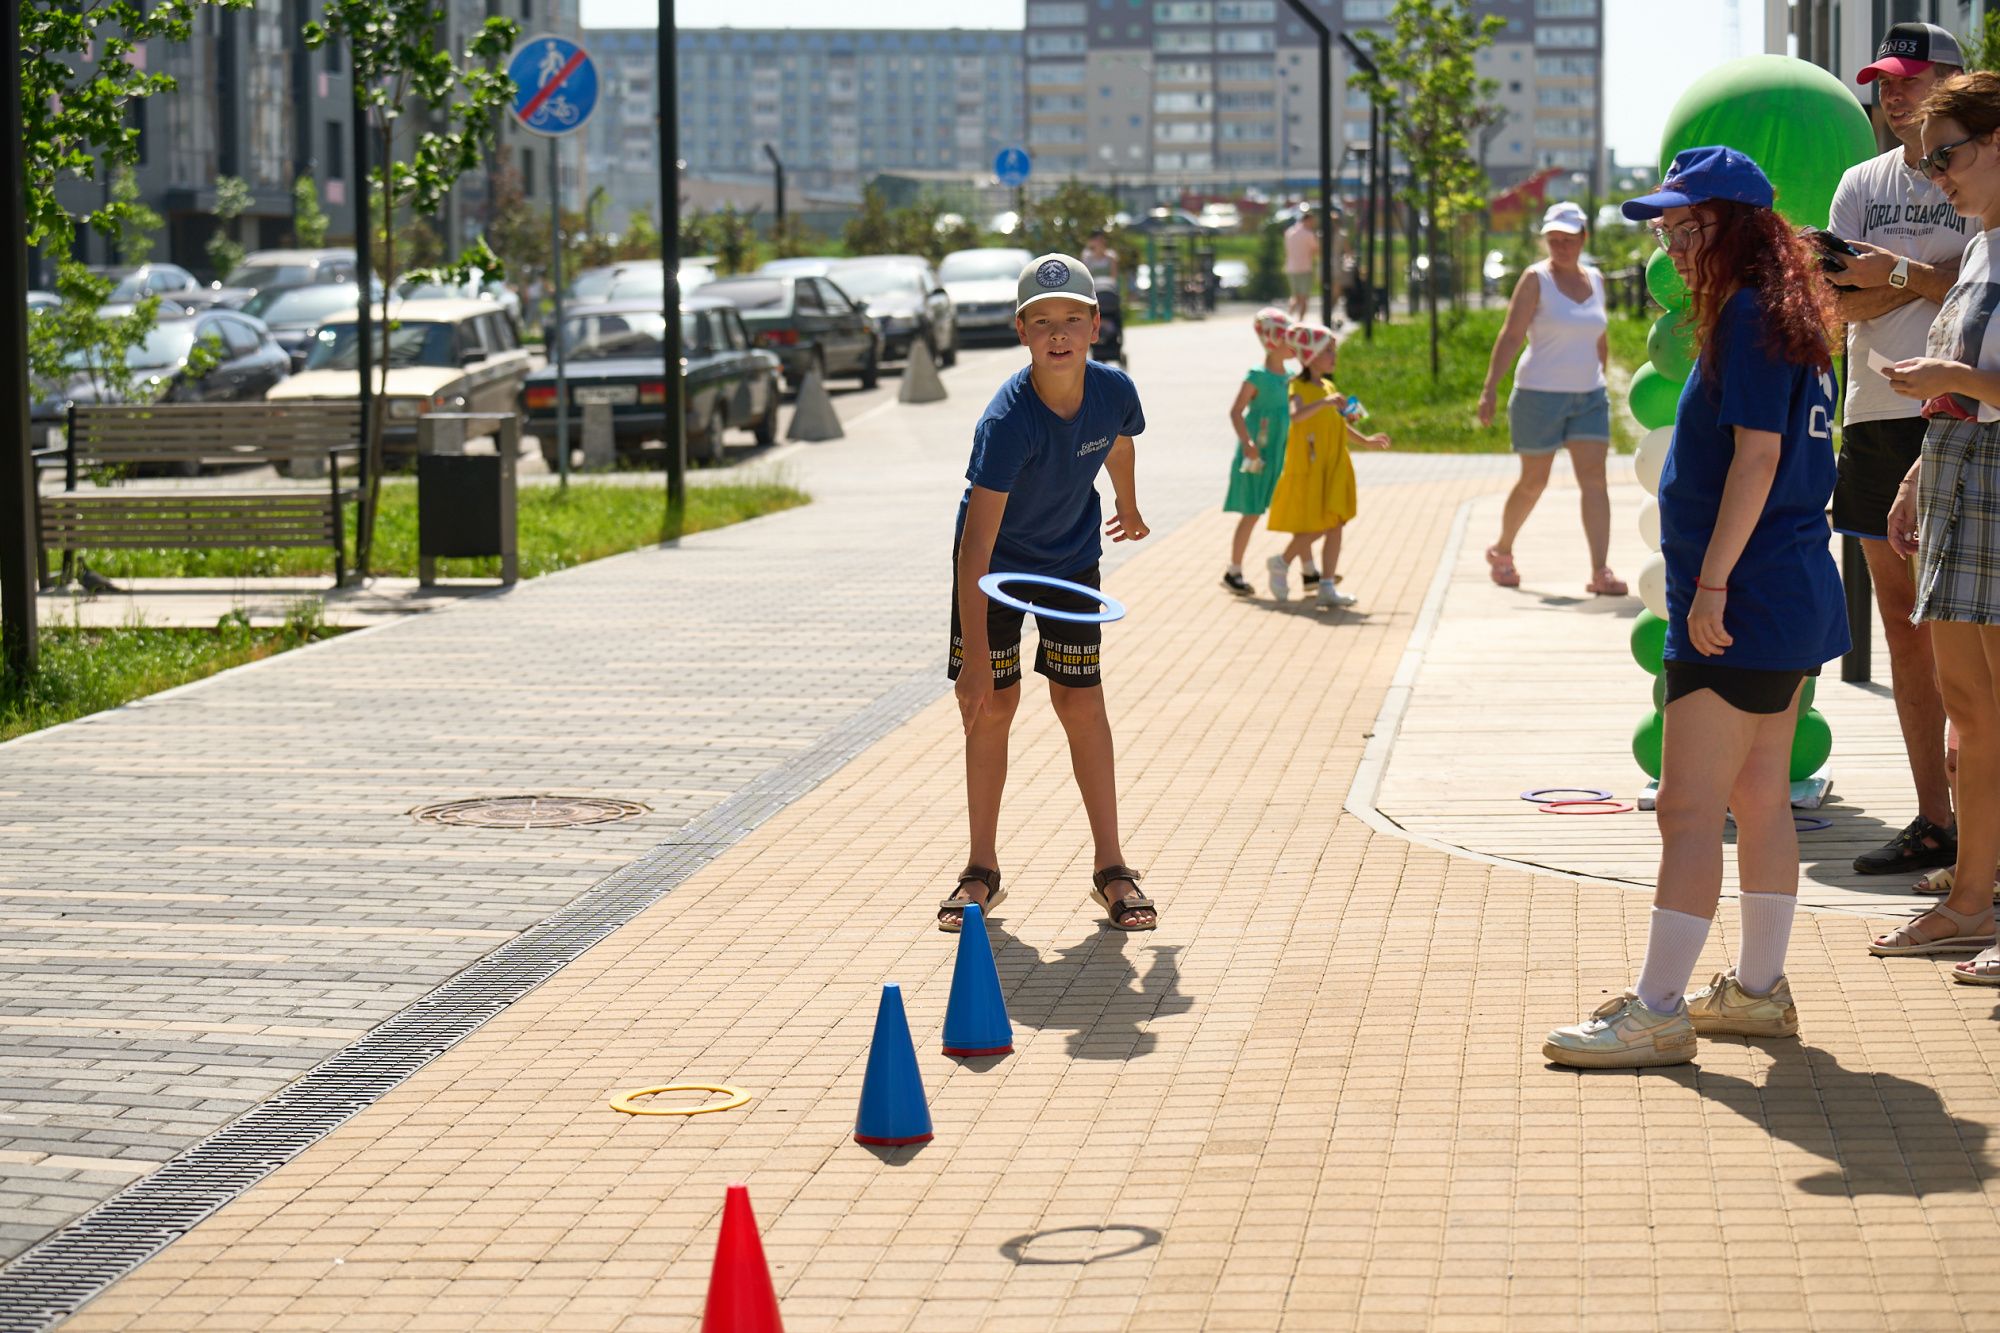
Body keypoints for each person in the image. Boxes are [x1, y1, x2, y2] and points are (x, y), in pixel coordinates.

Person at [1543, 147, 1849, 1068]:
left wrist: (1711, 583)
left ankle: (1659, 1009)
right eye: (1666, 230)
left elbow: (1756, 460)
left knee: (1687, 808)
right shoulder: (1777, 312)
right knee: (1760, 795)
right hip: (1787, 588)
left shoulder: (1753, 315)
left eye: (1688, 226)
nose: (1671, 244)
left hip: (1744, 595)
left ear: (1740, 226)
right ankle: (1756, 995)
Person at [940, 253, 1158, 936]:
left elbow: (1116, 440)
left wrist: (1126, 499)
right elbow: (976, 548)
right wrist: (976, 658)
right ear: (1022, 331)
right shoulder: (1008, 422)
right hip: (993, 565)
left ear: (1095, 324)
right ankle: (981, 868)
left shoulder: (1114, 389)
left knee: (1079, 699)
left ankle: (1112, 867)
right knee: (992, 705)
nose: (1057, 333)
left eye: (1071, 320)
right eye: (1042, 322)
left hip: (1068, 561)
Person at [1829, 21, 1969, 880]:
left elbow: (1973, 287)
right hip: (1876, 416)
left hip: (1961, 414)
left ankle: (1980, 820)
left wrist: (1901, 278)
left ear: (1958, 84)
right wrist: (1918, 279)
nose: (1895, 95)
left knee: (1972, 632)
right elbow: (1837, 301)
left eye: (1912, 80)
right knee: (1905, 631)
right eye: (1884, 82)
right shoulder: (1860, 181)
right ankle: (1934, 819)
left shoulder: (1978, 176)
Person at [1880, 70, 2000, 973]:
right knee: (1970, 710)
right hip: (1963, 476)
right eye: (1926, 161)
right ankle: (1972, 900)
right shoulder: (1984, 246)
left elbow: (1971, 380)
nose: (1934, 175)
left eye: (1946, 155)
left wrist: (1948, 384)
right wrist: (1924, 467)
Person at [1476, 201, 1626, 597]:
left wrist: (1602, 378)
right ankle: (1502, 550)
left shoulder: (1595, 279)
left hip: (1589, 396)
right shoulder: (1534, 279)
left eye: (1567, 239)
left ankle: (1600, 571)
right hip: (1539, 395)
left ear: (1583, 239)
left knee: (1595, 481)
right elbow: (1510, 335)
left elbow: (1600, 335)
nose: (1559, 247)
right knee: (1533, 481)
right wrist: (1490, 388)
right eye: (1553, 239)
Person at [1264, 323, 1392, 610]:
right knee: (1321, 522)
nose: (1334, 356)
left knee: (1336, 523)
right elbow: (1296, 416)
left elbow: (1340, 425)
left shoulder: (1329, 388)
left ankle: (1327, 585)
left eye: (1333, 351)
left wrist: (1366, 441)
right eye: (1328, 352)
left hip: (1334, 464)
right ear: (1310, 356)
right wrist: (1324, 403)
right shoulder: (1299, 386)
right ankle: (1282, 562)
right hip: (1311, 466)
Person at [1221, 307, 1294, 595]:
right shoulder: (1257, 376)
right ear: (1275, 342)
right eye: (1290, 340)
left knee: (1294, 505)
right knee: (1251, 512)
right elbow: (1237, 412)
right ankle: (1234, 569)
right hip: (1258, 455)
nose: (1295, 347)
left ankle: (1310, 568)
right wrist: (1247, 444)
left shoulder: (1290, 377)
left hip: (1280, 453)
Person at [1284, 206, 1320, 323]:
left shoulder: (1289, 232)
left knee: (1295, 296)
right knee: (1304, 297)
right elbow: (1316, 250)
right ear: (1307, 220)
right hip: (1305, 268)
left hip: (1291, 267)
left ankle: (1287, 319)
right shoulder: (1309, 234)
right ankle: (1300, 321)